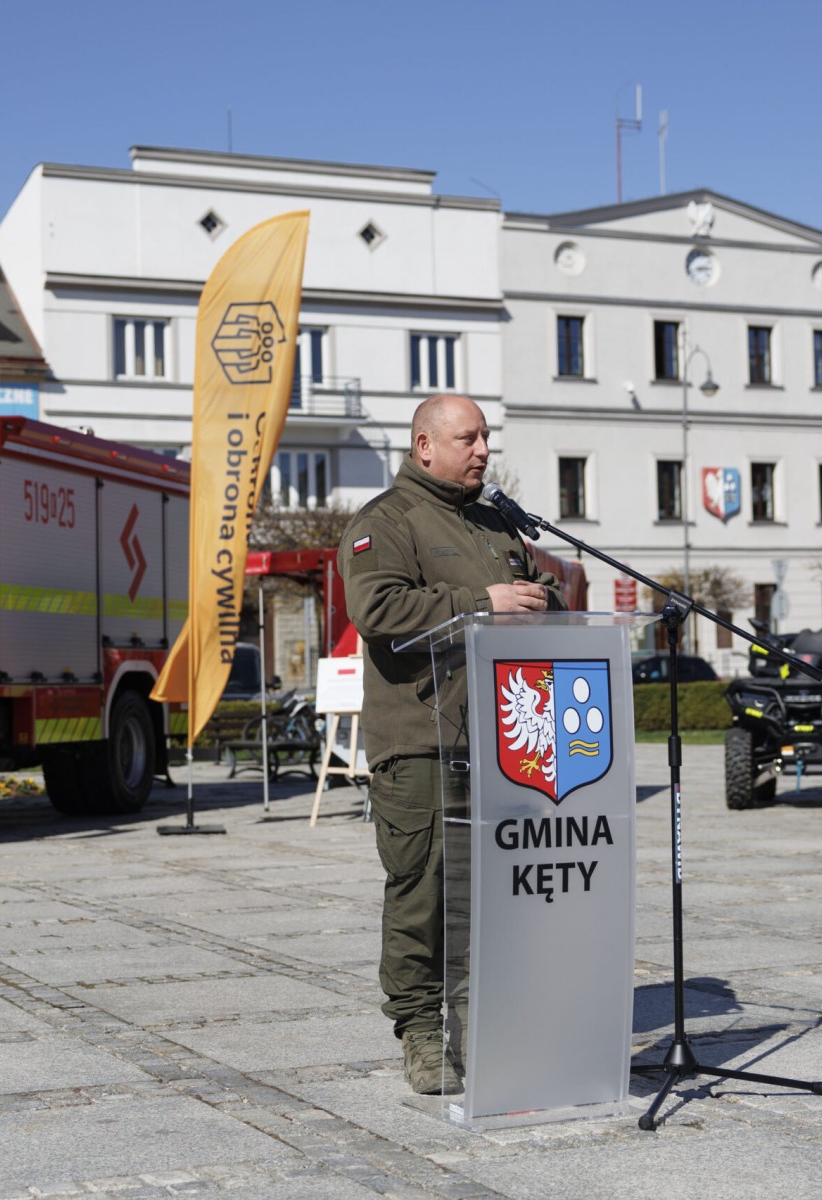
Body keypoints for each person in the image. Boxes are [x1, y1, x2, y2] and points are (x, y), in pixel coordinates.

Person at [338, 393, 563, 1094]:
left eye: (485, 438)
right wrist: (479, 603)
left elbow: (534, 587)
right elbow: (376, 611)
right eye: (466, 438)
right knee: (424, 891)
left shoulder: (493, 520)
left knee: (497, 894)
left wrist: (540, 598)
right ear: (423, 445)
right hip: (421, 739)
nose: (481, 450)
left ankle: (489, 1021)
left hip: (507, 739)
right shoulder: (385, 522)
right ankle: (422, 1033)